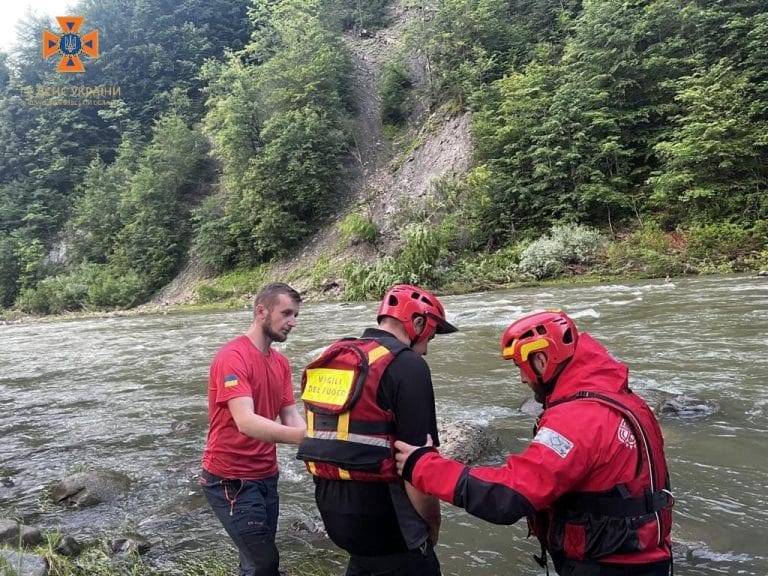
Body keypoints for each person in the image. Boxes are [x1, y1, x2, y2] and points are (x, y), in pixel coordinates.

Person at [395, 309, 674, 576]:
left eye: (521, 366)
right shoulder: (623, 397)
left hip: (610, 565)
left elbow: (508, 496)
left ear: (541, 360)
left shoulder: (579, 417)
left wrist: (423, 466)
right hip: (643, 556)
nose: (521, 378)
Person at [296, 284, 458, 576]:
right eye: (431, 334)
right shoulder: (409, 365)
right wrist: (433, 524)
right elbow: (418, 464)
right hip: (390, 527)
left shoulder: (334, 356)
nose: (427, 346)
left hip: (336, 518)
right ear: (418, 322)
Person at [200, 283, 306, 576]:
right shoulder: (232, 357)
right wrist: (305, 438)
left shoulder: (281, 363)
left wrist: (318, 442)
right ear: (261, 311)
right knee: (264, 561)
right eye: (286, 313)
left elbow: (290, 415)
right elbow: (245, 421)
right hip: (229, 479)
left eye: (295, 315)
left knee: (256, 558)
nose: (293, 322)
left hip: (266, 475)